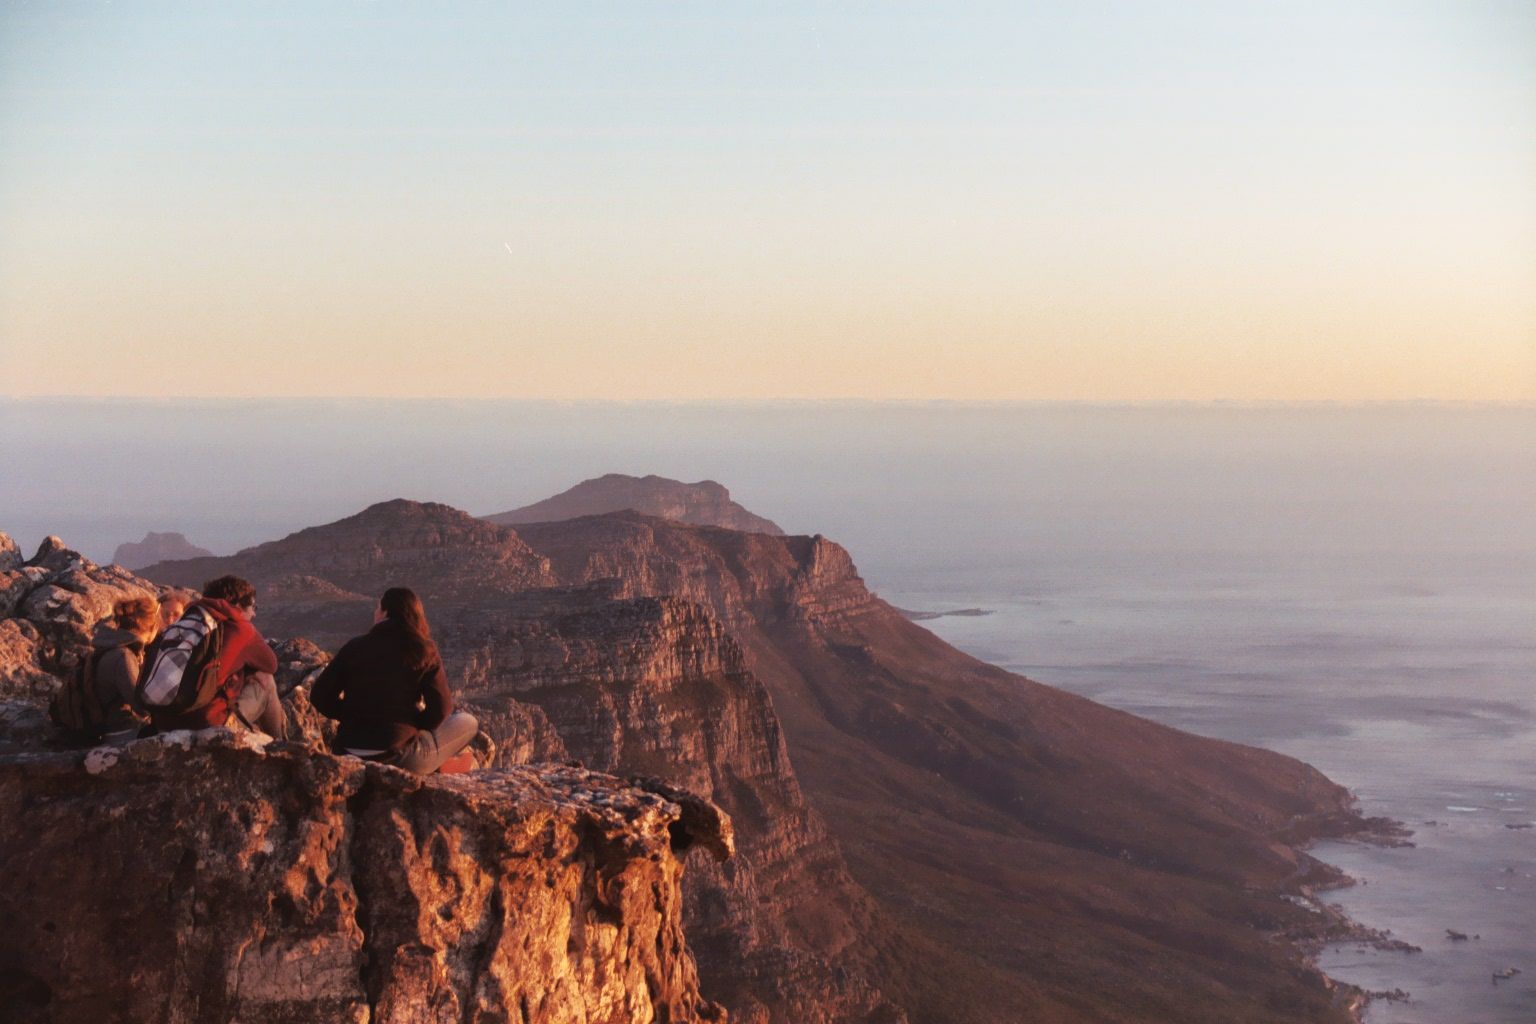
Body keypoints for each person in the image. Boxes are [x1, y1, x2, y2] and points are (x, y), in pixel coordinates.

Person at [310, 587, 478, 774]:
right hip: (399, 757)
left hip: (347, 752)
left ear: (385, 612)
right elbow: (442, 709)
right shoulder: (423, 650)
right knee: (468, 722)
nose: (375, 613)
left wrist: (351, 715)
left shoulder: (354, 647)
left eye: (377, 609)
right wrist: (414, 724)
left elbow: (319, 696)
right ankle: (441, 769)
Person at [148, 575, 287, 740]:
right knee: (266, 679)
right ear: (237, 606)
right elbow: (271, 664)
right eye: (252, 607)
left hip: (163, 723)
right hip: (207, 725)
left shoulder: (184, 623)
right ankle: (282, 748)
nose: (254, 614)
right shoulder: (240, 629)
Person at [91, 596, 159, 745]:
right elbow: (141, 707)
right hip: (120, 732)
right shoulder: (123, 656)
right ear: (153, 627)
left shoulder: (110, 646)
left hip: (110, 729)